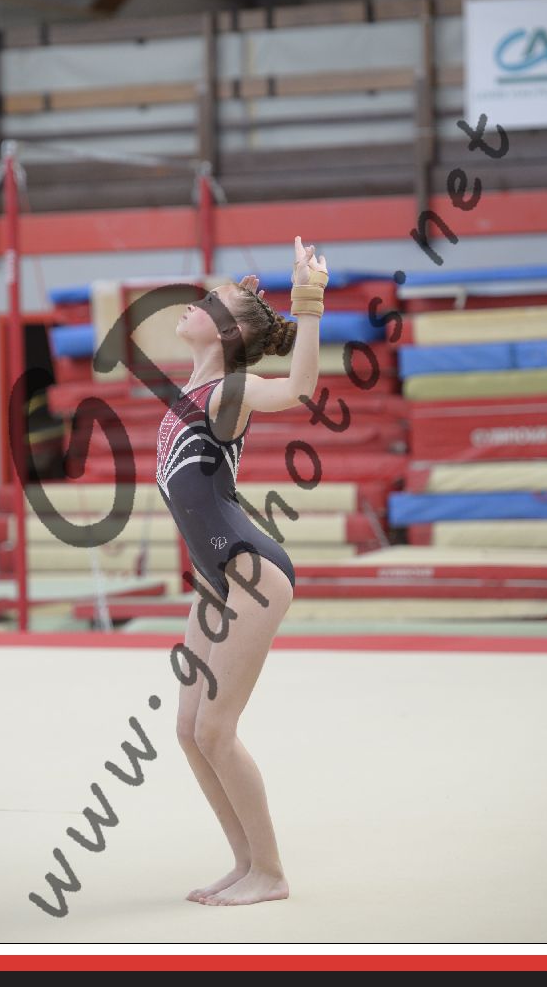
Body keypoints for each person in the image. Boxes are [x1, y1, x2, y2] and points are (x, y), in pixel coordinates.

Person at [156, 235, 329, 906]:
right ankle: (245, 862)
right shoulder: (195, 387)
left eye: (208, 303)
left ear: (225, 334)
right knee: (188, 730)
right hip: (217, 577)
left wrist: (306, 302)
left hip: (251, 572)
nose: (193, 304)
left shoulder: (230, 389)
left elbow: (301, 387)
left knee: (215, 730)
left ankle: (272, 874)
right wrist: (244, 302)